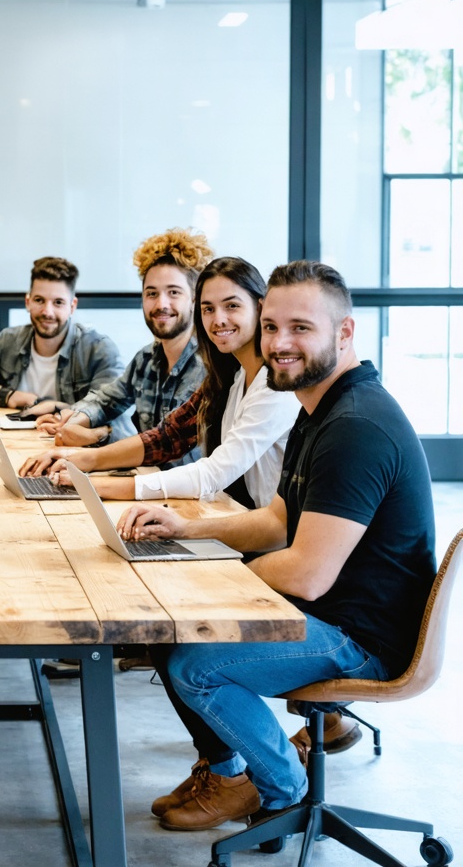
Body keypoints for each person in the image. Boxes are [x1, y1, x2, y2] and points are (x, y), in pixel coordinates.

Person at [116, 261, 436, 837]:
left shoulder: (355, 427)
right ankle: (229, 774)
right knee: (171, 630)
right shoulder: (318, 407)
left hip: (361, 639)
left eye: (300, 328)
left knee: (196, 664)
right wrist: (184, 532)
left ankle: (283, 789)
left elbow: (308, 573)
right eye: (271, 327)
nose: (278, 343)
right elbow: (274, 522)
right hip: (330, 611)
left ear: (344, 333)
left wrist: (215, 575)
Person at [19, 257, 300, 510]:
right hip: (226, 511)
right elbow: (169, 437)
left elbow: (211, 473)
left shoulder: (275, 385)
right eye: (209, 309)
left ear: (260, 307)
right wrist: (84, 459)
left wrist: (95, 484)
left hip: (263, 529)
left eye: (232, 306)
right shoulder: (233, 375)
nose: (218, 319)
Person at [36, 229, 210, 467]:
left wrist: (100, 435)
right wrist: (72, 420)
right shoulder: (146, 359)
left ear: (194, 299)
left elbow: (166, 445)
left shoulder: (210, 367)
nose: (161, 304)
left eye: (173, 292)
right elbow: (106, 400)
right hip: (147, 480)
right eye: (152, 293)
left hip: (187, 488)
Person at [0, 256, 131, 440]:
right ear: (28, 302)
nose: (47, 312)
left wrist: (57, 407)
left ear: (72, 306)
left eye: (58, 302)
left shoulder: (98, 349)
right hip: (15, 442)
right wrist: (11, 396)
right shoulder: (9, 340)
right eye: (39, 300)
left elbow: (111, 412)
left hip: (69, 448)